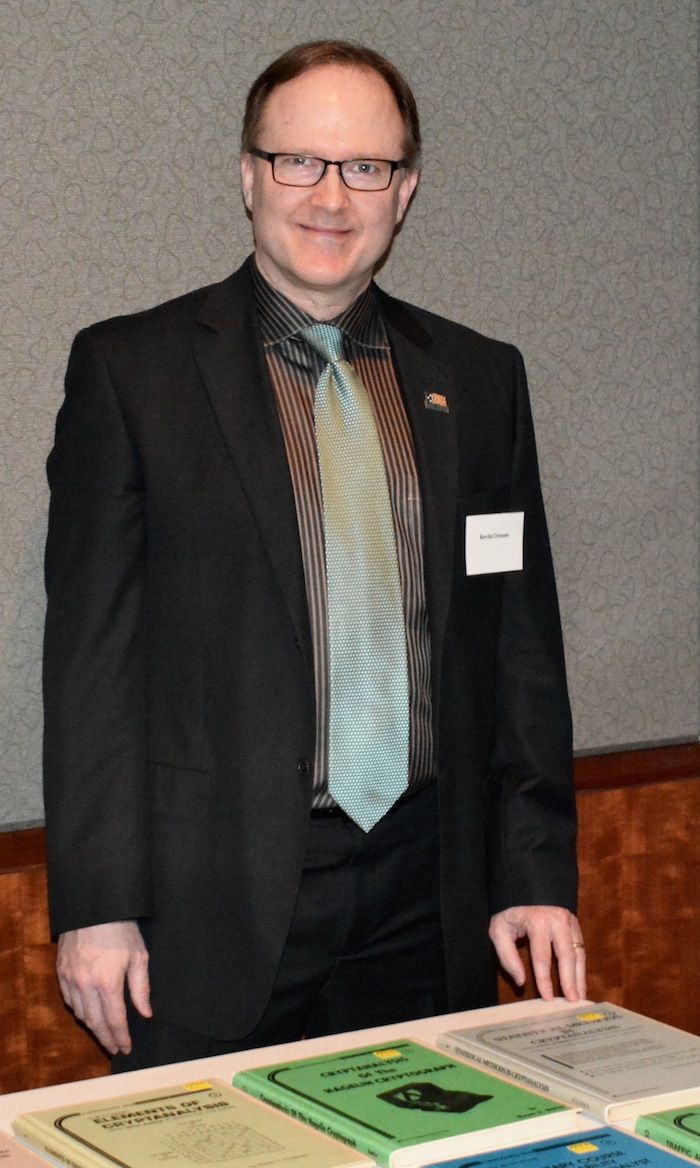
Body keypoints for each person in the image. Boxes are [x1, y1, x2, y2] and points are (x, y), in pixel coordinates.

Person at [43, 39, 586, 1072]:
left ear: (406, 190)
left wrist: (532, 873)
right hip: (209, 907)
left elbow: (519, 651)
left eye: (366, 168)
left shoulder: (477, 379)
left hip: (430, 895)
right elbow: (91, 667)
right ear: (248, 175)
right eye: (300, 161)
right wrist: (98, 903)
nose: (331, 196)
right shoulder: (131, 373)